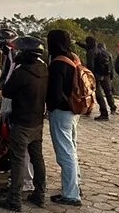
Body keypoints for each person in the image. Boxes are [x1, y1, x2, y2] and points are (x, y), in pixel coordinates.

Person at [0, 36, 48, 212]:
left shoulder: (22, 72)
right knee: (37, 159)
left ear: (25, 54)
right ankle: (40, 194)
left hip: (21, 123)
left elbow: (7, 91)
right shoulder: (43, 69)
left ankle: (14, 199)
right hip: (37, 122)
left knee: (17, 161)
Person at [46, 30, 82, 207]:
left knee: (65, 154)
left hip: (61, 112)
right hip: (74, 111)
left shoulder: (57, 64)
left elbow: (56, 93)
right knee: (71, 150)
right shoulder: (73, 58)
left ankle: (71, 194)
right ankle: (75, 186)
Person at [93, 43, 117, 120]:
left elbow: (93, 65)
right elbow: (111, 66)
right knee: (108, 92)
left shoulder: (96, 53)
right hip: (107, 75)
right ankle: (112, 107)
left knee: (98, 93)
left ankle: (103, 111)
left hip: (98, 75)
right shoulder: (108, 54)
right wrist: (111, 76)